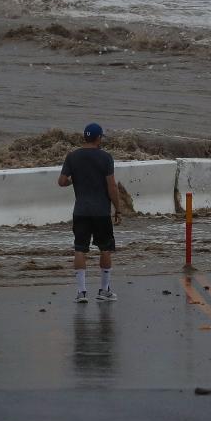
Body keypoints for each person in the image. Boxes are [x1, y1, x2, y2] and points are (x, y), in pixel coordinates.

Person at [58, 123, 122, 303]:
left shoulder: (72, 157)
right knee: (105, 249)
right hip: (101, 211)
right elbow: (111, 186)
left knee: (80, 249)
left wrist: (73, 181)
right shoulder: (106, 157)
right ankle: (104, 291)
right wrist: (117, 208)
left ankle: (81, 292)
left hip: (80, 211)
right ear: (98, 138)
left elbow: (62, 181)